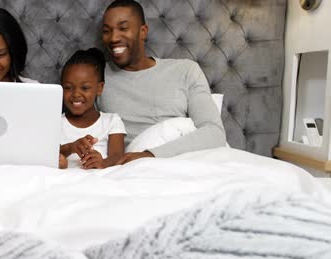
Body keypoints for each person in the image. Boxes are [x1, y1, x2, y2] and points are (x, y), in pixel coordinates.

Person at [99, 0, 227, 164]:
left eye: (123, 28)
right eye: (106, 31)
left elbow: (214, 134)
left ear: (143, 32)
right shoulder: (96, 79)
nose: (114, 37)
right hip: (129, 173)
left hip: (182, 165)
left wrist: (150, 155)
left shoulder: (185, 71)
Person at [59, 48, 126, 169]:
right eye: (68, 87)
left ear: (99, 88)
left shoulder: (111, 121)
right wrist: (70, 147)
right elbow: (46, 155)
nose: (76, 94)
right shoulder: (55, 123)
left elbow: (118, 156)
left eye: (84, 88)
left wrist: (103, 163)